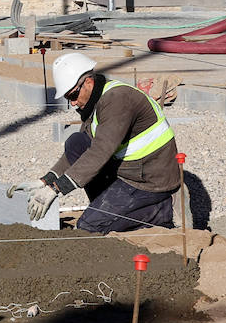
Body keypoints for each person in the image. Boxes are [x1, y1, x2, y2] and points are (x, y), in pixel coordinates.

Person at [21, 53, 181, 233]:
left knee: (88, 227)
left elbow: (100, 151)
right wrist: (47, 180)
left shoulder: (117, 100)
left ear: (88, 82)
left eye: (73, 95)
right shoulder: (95, 101)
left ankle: (158, 211)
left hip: (150, 180)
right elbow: (82, 150)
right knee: (76, 142)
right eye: (68, 98)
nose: (73, 103)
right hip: (131, 169)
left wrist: (57, 188)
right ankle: (109, 208)